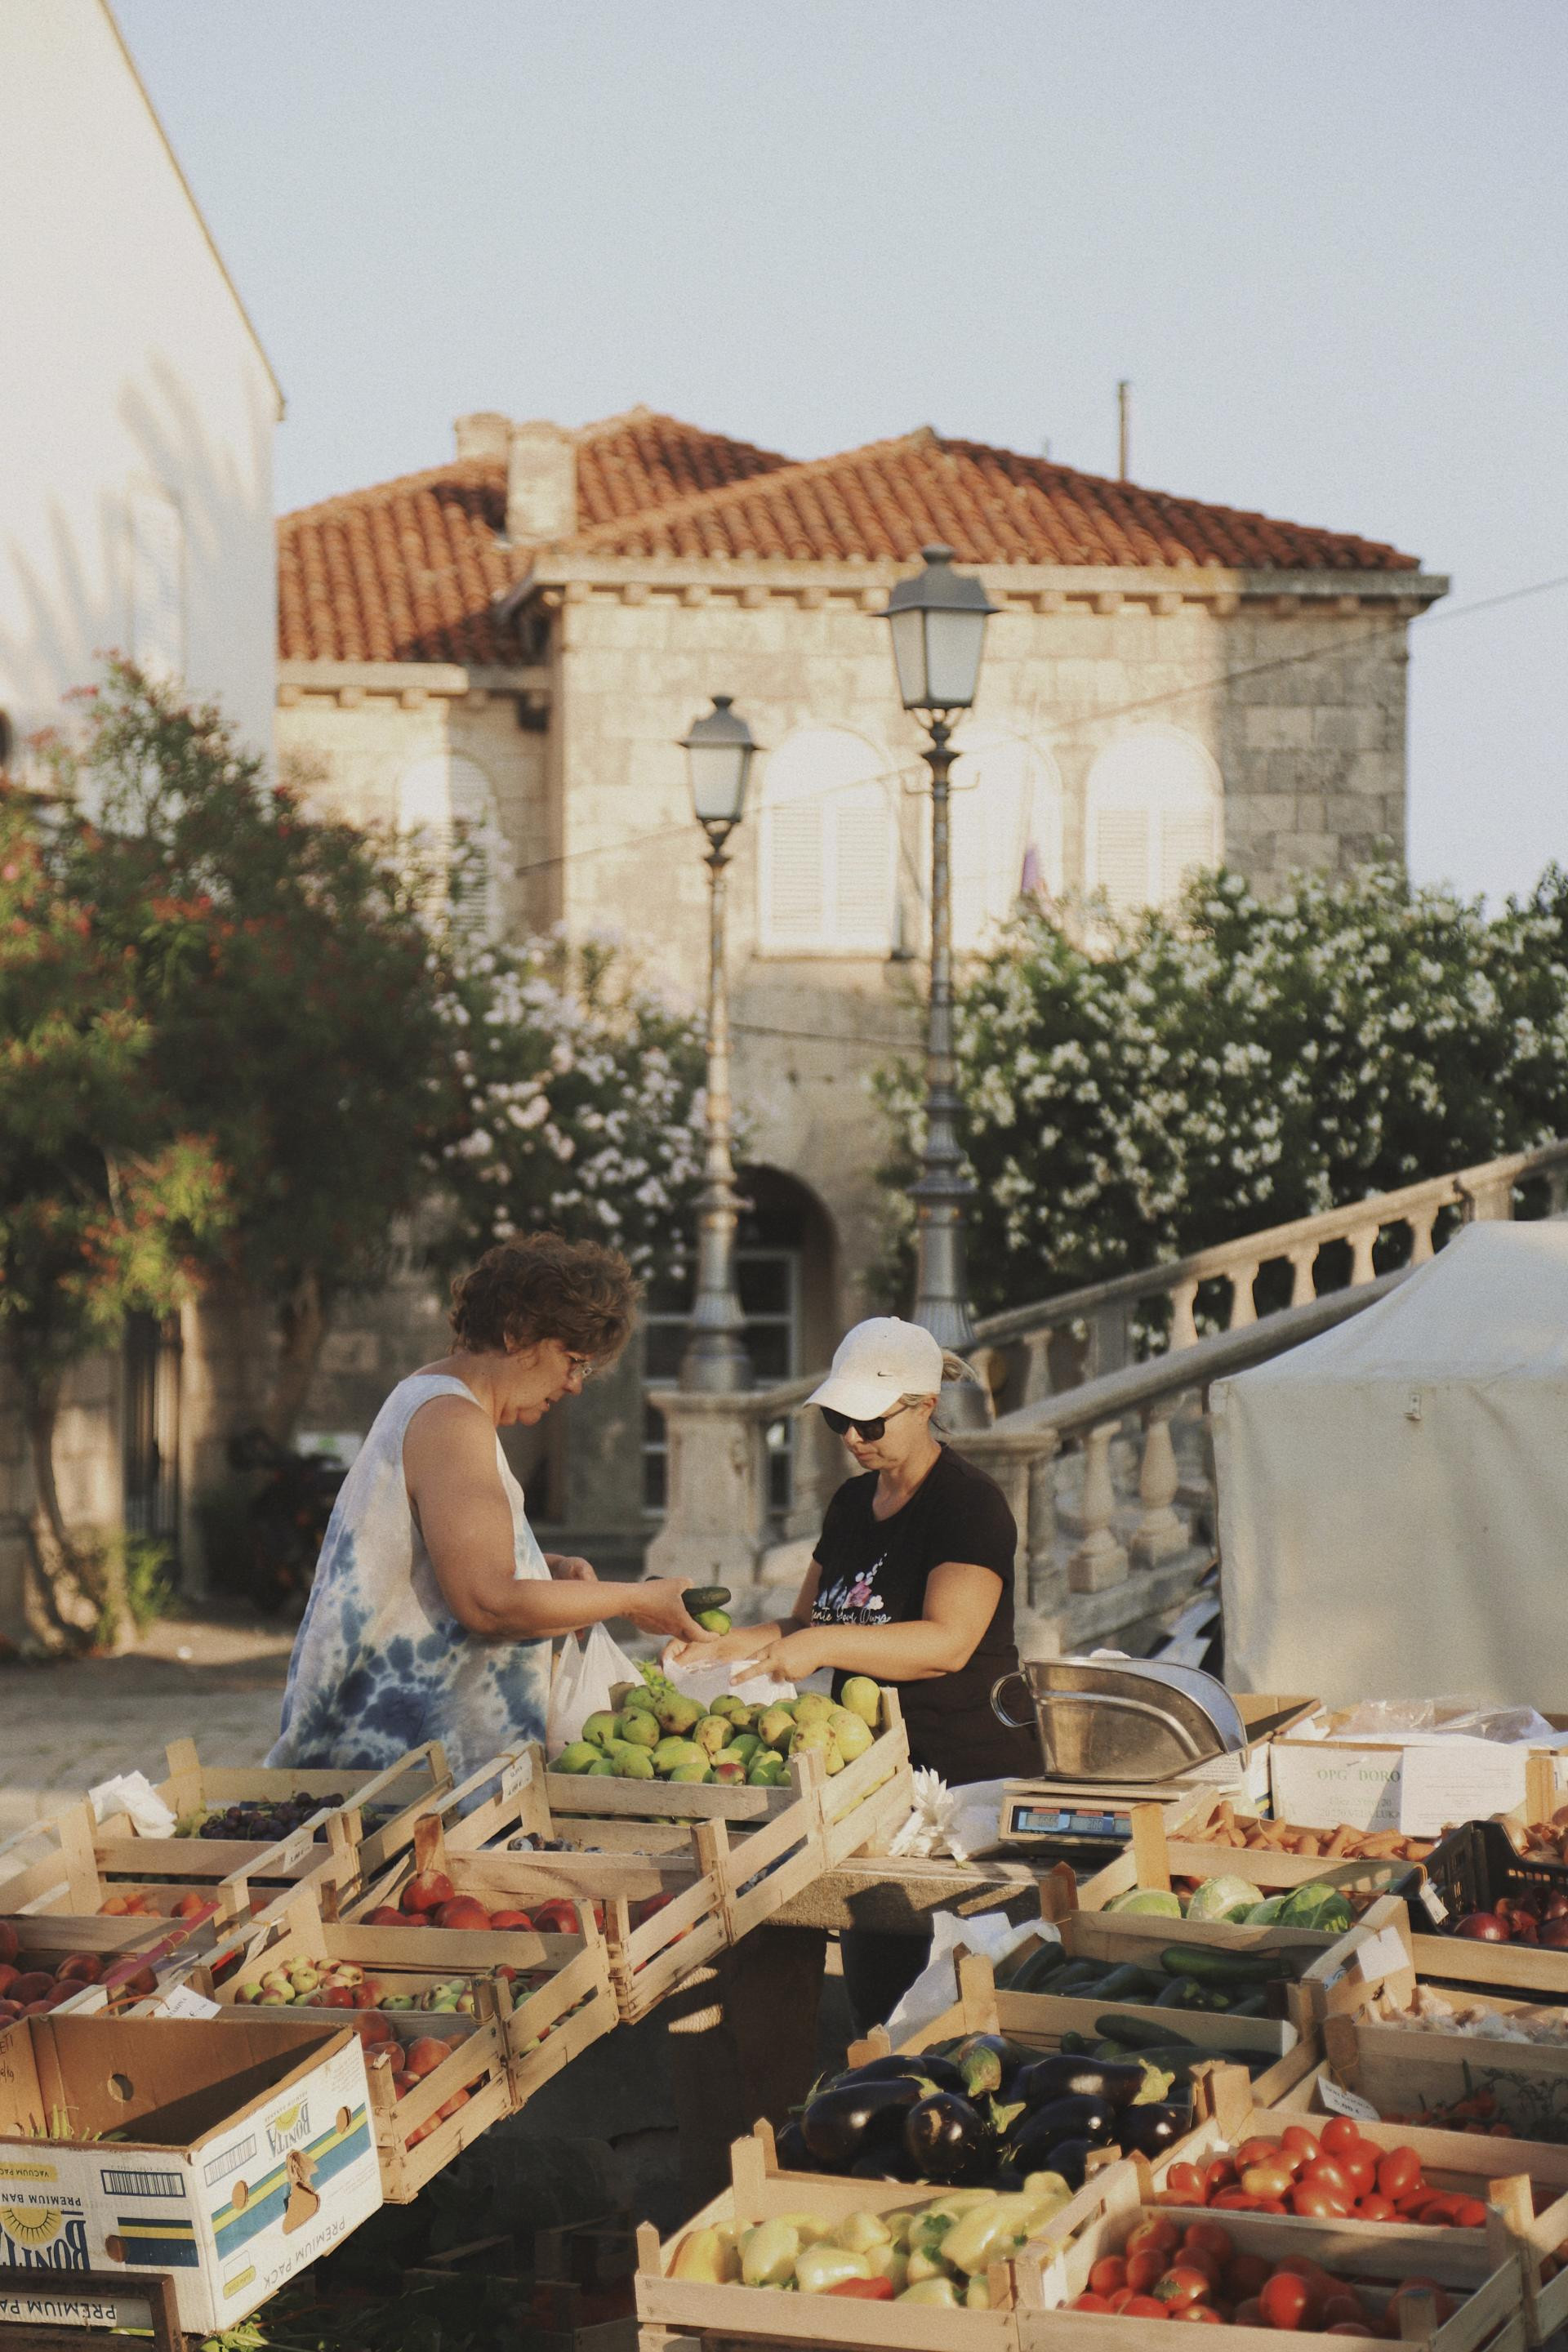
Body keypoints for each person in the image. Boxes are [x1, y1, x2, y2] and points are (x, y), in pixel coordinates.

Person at [669, 1314, 1037, 2029]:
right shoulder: (849, 1504)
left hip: (963, 1791)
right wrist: (724, 1646)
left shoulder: (969, 1503)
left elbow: (949, 1643)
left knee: (960, 2006)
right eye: (839, 1420)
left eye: (870, 1422)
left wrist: (823, 1645)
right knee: (878, 1999)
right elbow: (806, 1623)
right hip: (874, 1788)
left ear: (926, 1406)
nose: (853, 1439)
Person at [269, 1233, 702, 1782]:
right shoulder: (451, 1420)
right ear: (517, 1332)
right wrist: (634, 1599)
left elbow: (444, 1567)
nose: (574, 1386)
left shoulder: (434, 1400)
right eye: (571, 1361)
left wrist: (544, 1570)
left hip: (399, 1775)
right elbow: (488, 1603)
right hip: (397, 1785)